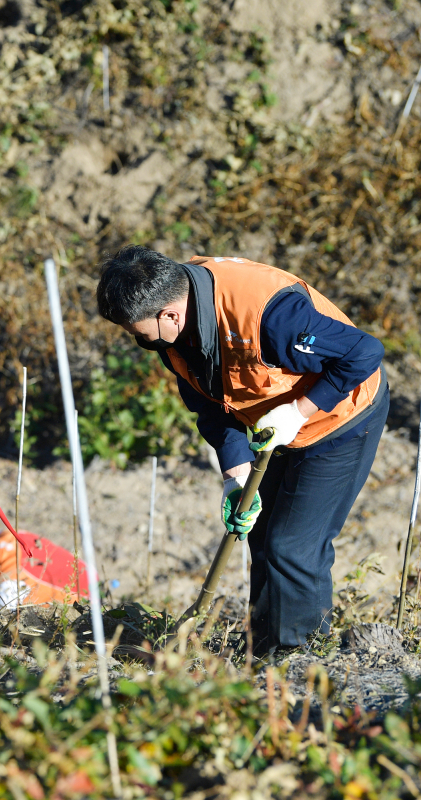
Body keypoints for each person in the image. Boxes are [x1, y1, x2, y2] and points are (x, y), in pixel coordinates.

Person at [96, 246, 387, 658]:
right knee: (263, 535)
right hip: (273, 425)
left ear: (169, 315)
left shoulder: (270, 315)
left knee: (294, 546)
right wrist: (235, 474)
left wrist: (300, 410)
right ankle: (265, 650)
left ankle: (300, 660)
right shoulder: (176, 324)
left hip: (340, 419)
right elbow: (209, 402)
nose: (139, 342)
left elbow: (364, 353)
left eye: (139, 335)